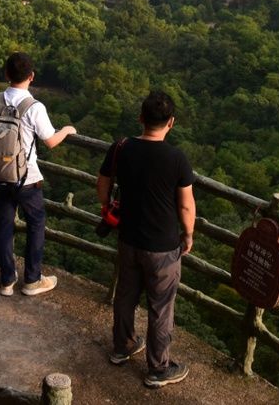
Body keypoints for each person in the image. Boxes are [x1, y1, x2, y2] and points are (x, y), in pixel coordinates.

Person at [97, 90, 195, 389]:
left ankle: (122, 346)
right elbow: (186, 205)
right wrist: (188, 233)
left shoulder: (121, 147)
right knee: (161, 307)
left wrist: (109, 209)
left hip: (128, 237)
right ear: (171, 123)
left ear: (140, 118)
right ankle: (157, 368)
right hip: (163, 245)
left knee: (126, 295)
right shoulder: (176, 158)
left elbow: (102, 184)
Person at [0, 51, 75, 297]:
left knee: (4, 223)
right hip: (27, 179)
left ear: (6, 74)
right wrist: (66, 129)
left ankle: (6, 280)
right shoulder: (35, 107)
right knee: (36, 223)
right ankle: (32, 280)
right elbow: (51, 141)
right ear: (31, 76)